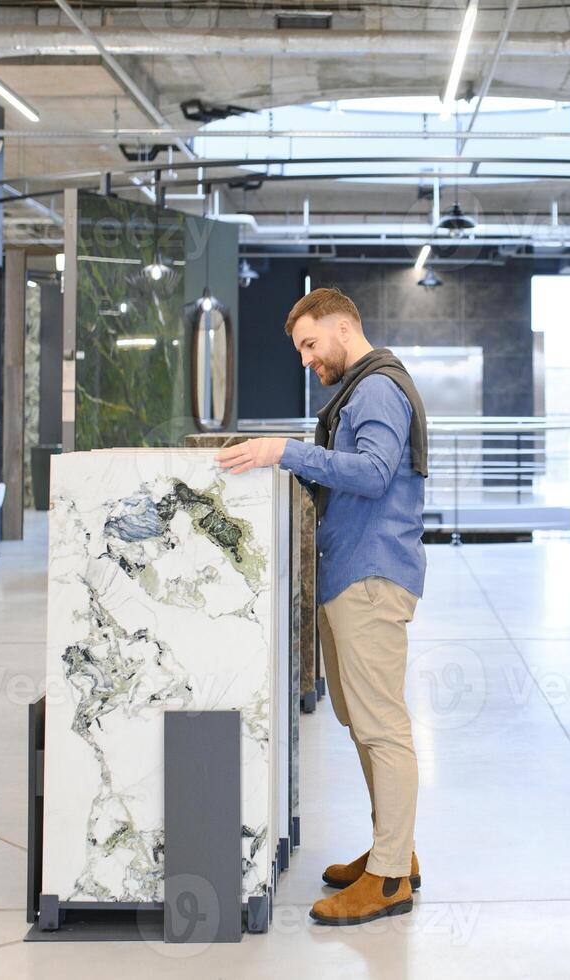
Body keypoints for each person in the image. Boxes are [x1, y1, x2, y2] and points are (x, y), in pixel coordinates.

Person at [216, 286, 429, 926]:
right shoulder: (357, 390)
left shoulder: (378, 389)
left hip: (372, 575)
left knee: (382, 727)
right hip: (351, 574)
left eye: (311, 344)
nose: (307, 359)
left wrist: (283, 451)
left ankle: (390, 880)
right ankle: (396, 853)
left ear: (343, 327)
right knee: (362, 721)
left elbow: (372, 472)